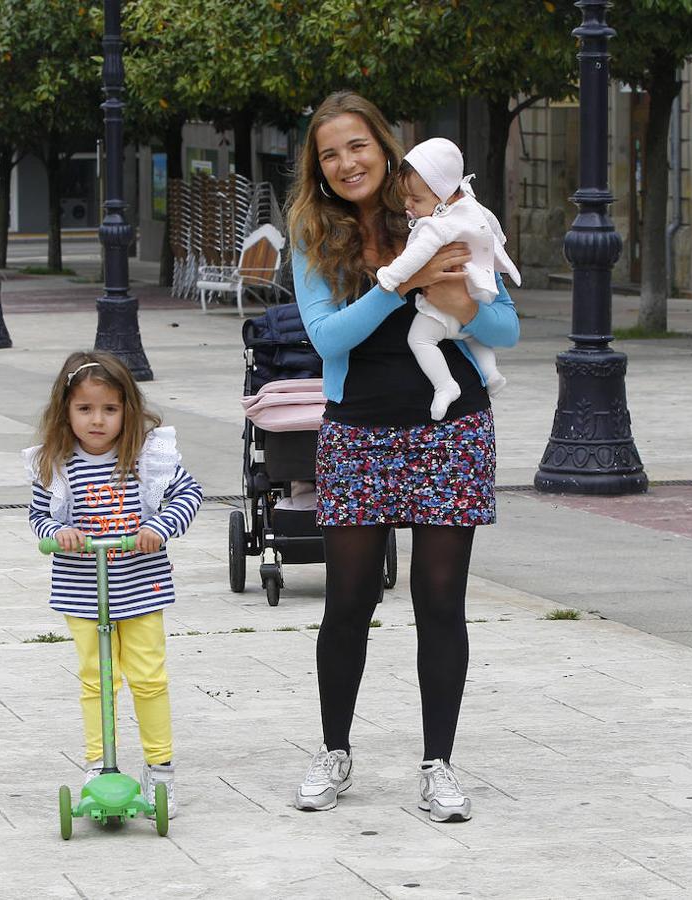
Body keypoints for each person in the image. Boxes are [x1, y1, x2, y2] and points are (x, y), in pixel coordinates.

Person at [287, 91, 520, 822]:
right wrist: (405, 285)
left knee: (440, 603)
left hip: (452, 433)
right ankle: (334, 752)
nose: (347, 162)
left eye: (358, 146)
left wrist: (453, 294)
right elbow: (329, 340)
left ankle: (439, 765)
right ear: (318, 170)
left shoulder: (438, 215)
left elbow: (506, 328)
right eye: (330, 154)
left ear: (385, 149)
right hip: (357, 433)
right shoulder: (313, 237)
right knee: (348, 602)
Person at [23, 351, 203, 817]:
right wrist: (57, 534)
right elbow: (39, 517)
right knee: (97, 680)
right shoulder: (56, 465)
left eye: (109, 409)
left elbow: (190, 493)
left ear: (128, 409)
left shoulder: (148, 460)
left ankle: (159, 769)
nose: (97, 420)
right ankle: (99, 764)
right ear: (66, 411)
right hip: (82, 591)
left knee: (148, 678)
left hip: (141, 587)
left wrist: (159, 527)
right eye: (85, 409)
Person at [375, 137, 522, 420]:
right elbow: (492, 228)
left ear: (443, 195)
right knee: (475, 339)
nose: (408, 205)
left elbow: (415, 256)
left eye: (416, 199)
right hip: (478, 297)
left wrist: (391, 277)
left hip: (440, 310)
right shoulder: (471, 208)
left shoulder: (435, 226)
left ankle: (444, 385)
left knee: (420, 340)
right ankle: (490, 373)